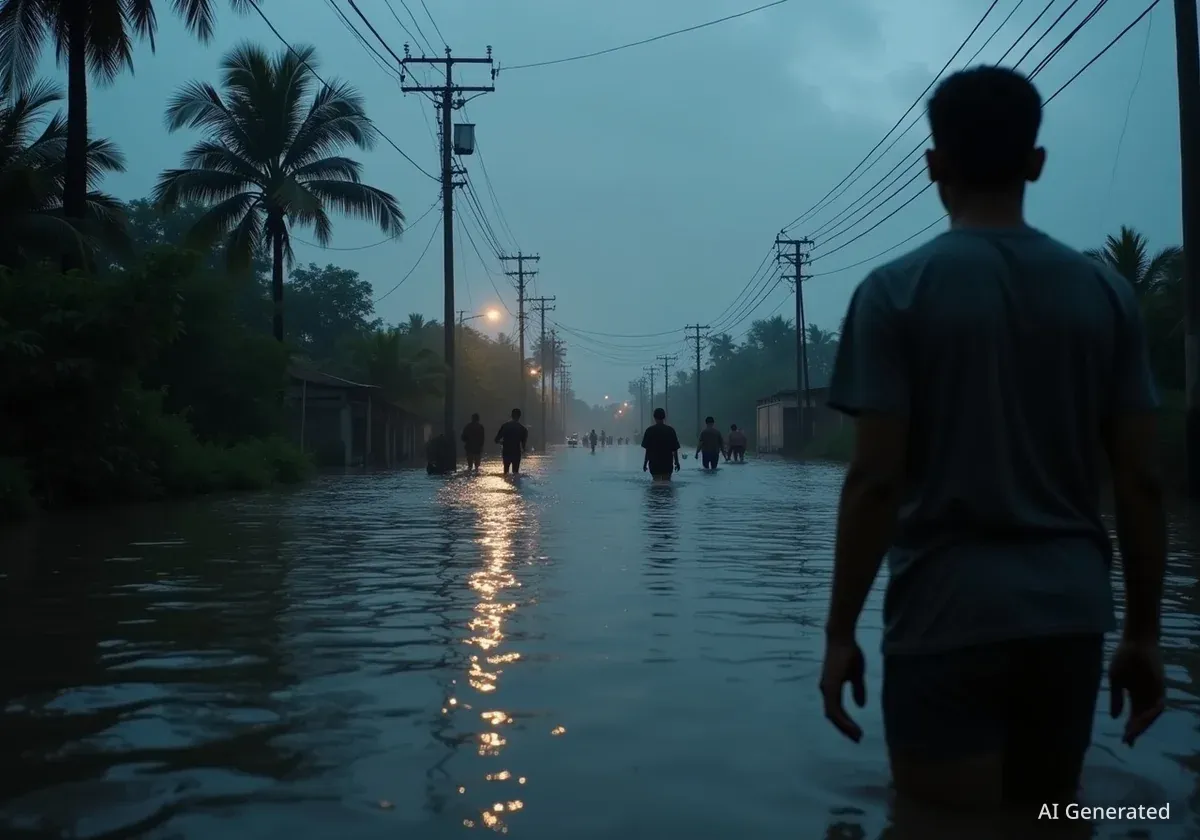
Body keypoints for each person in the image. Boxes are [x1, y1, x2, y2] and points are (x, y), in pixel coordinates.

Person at [817, 66, 1166, 815]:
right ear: (1036, 162)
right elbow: (1140, 482)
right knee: (1055, 813)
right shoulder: (1106, 294)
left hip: (943, 614)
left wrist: (840, 633)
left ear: (933, 165)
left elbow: (874, 482)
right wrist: (1144, 633)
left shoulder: (894, 292)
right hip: (1070, 616)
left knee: (937, 822)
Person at [641, 407, 680, 480]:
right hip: (667, 463)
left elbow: (648, 450)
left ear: (654, 417)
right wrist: (677, 462)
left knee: (656, 483)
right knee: (667, 483)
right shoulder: (670, 430)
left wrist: (645, 463)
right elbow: (674, 449)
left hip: (654, 464)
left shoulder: (649, 431)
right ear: (664, 417)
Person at [494, 408, 528, 476]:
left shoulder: (505, 426)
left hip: (506, 451)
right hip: (516, 452)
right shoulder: (523, 429)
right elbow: (523, 446)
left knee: (506, 472)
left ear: (511, 415)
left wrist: (502, 443)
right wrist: (524, 451)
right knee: (515, 473)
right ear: (519, 416)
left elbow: (496, 440)